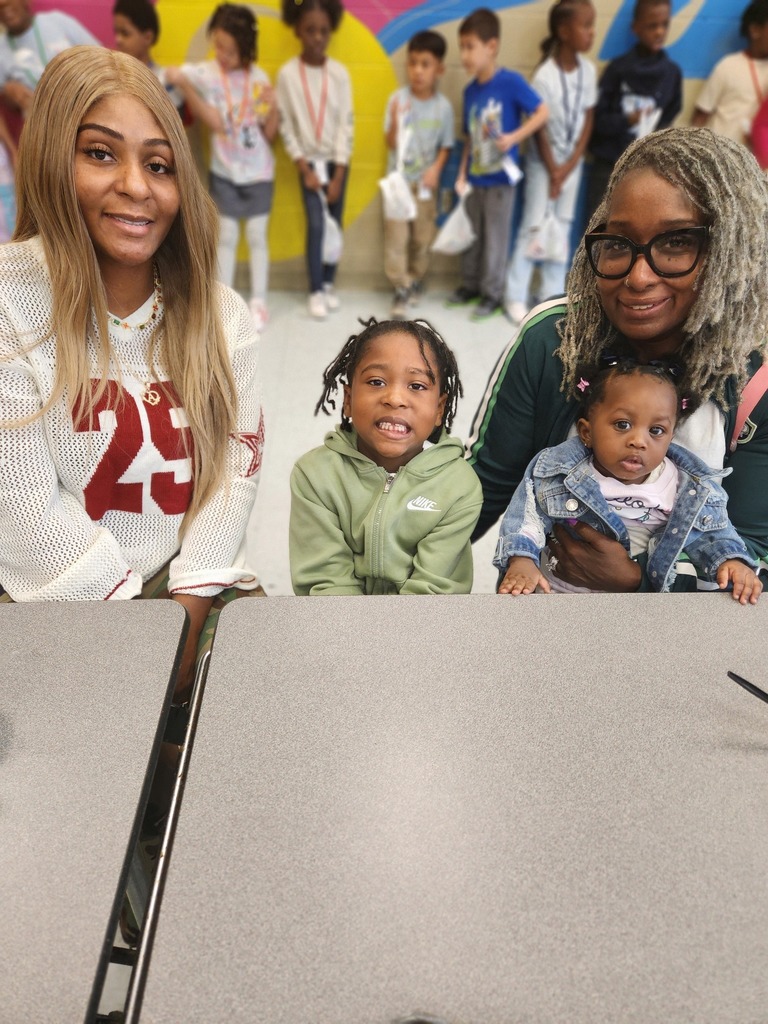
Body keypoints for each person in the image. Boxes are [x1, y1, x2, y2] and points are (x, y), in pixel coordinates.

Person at [0, 46, 265, 697]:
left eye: (158, 164)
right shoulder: (9, 300)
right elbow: (27, 513)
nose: (138, 187)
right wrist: (142, 645)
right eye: (99, 153)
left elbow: (234, 476)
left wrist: (189, 608)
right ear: (52, 158)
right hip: (50, 600)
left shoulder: (223, 316)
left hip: (187, 592)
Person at [467, 126, 768, 593]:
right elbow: (479, 491)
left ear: (729, 252)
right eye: (619, 243)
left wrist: (637, 582)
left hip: (688, 643)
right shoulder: (555, 341)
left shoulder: (756, 382)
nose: (638, 275)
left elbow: (754, 560)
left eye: (675, 243)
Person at [495, 359, 762, 603]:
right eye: (622, 424)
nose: (638, 441)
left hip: (637, 606)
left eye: (656, 431)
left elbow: (711, 533)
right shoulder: (555, 471)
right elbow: (527, 517)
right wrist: (521, 558)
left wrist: (731, 560)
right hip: (552, 596)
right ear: (587, 432)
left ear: (670, 438)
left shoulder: (689, 488)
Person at [289, 318, 482, 594]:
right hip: (338, 624)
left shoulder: (459, 486)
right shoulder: (315, 475)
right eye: (376, 382)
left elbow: (432, 592)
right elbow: (326, 583)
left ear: (440, 409)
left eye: (416, 386)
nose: (394, 398)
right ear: (348, 399)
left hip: (424, 626)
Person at [166, 4, 278, 333]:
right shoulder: (208, 72)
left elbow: (269, 134)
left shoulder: (259, 78)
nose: (222, 54)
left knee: (257, 237)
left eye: (229, 50)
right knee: (225, 237)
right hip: (225, 172)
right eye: (218, 45)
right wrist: (181, 82)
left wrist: (274, 110)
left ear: (246, 48)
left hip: (259, 172)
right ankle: (223, 300)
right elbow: (213, 119)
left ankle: (258, 302)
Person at [447, 7, 548, 322]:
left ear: (491, 47)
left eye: (469, 46)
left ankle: (492, 294)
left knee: (496, 239)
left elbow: (542, 112)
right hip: (476, 179)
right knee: (472, 236)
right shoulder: (470, 91)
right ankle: (471, 285)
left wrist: (514, 137)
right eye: (461, 47)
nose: (464, 54)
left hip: (501, 180)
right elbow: (469, 139)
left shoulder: (510, 83)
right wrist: (462, 173)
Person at [505, 0, 597, 325]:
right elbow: (539, 127)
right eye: (585, 26)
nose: (591, 32)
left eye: (592, 25)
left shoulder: (588, 71)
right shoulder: (544, 74)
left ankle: (549, 295)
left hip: (571, 165)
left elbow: (587, 119)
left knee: (562, 224)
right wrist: (553, 169)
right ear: (563, 31)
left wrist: (570, 165)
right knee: (534, 223)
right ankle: (515, 296)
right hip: (543, 165)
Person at [277, 0, 353, 320]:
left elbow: (345, 123)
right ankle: (315, 288)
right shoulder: (287, 74)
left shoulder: (339, 74)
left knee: (335, 223)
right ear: (297, 30)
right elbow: (285, 125)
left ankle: (330, 282)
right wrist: (303, 167)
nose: (317, 37)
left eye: (323, 31)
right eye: (310, 30)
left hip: (337, 163)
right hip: (308, 164)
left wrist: (338, 175)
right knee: (317, 226)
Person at [586, 0, 681, 222]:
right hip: (608, 167)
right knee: (597, 231)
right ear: (636, 28)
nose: (659, 31)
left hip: (647, 170)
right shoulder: (618, 69)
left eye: (664, 25)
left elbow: (667, 120)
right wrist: (628, 120)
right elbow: (599, 123)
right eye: (652, 26)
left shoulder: (671, 74)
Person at [383, 30, 454, 319]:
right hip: (398, 183)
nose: (417, 71)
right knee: (396, 240)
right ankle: (400, 286)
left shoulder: (443, 107)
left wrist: (436, 170)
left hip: (426, 186)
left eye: (425, 64)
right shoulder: (397, 99)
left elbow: (446, 145)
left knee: (422, 239)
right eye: (413, 63)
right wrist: (397, 125)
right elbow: (389, 141)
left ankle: (414, 278)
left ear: (439, 69)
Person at [0, 0, 98, 117]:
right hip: (43, 123)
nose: (3, 3)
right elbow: (8, 103)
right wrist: (9, 94)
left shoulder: (57, 21)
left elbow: (101, 58)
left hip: (87, 108)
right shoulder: (2, 48)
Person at [692, 0, 768, 149]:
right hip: (720, 154)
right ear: (755, 30)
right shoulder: (728, 66)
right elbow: (700, 116)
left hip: (756, 163)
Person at [112, 0, 184, 112]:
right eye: (116, 32)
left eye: (125, 33)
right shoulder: (110, 76)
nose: (118, 39)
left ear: (148, 37)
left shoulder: (164, 81)